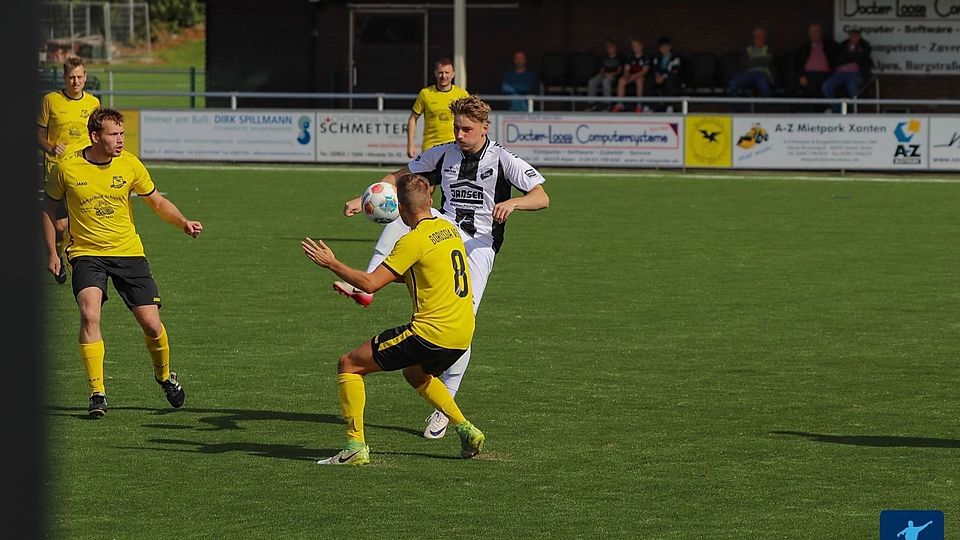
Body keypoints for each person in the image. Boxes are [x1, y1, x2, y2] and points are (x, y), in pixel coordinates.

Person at [335, 95, 549, 439]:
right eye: (456, 128)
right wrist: (364, 200)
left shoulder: (503, 159)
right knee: (403, 208)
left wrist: (515, 202)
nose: (460, 134)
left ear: (484, 127)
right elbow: (401, 175)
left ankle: (444, 403)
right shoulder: (445, 152)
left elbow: (542, 196)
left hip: (479, 244)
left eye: (466, 128)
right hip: (445, 229)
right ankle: (367, 285)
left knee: (464, 322)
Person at [303, 174, 485, 465]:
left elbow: (371, 284)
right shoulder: (447, 229)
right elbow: (427, 273)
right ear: (430, 201)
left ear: (399, 208)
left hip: (431, 334)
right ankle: (465, 428)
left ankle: (355, 447)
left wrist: (332, 264)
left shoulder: (411, 241)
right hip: (462, 333)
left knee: (349, 364)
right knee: (415, 373)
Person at [41, 107, 202, 417]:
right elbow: (47, 209)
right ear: (95, 136)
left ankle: (165, 376)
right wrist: (52, 252)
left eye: (122, 134)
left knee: (152, 325)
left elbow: (156, 201)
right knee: (89, 314)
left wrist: (182, 221)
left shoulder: (129, 165)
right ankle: (97, 392)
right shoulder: (67, 168)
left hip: (128, 252)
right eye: (113, 134)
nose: (120, 140)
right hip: (86, 253)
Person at [37, 56, 101, 285]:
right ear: (64, 78)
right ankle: (55, 253)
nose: (76, 81)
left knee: (83, 219)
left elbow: (98, 135)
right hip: (57, 170)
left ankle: (77, 259)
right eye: (71, 77)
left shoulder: (93, 103)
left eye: (80, 77)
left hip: (83, 170)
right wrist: (51, 147)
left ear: (85, 78)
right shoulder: (50, 101)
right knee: (61, 226)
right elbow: (38, 134)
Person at [405, 57, 469, 159]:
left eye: (447, 72)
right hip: (431, 146)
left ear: (453, 74)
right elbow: (413, 118)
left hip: (454, 145)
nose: (444, 76)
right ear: (435, 73)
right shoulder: (425, 94)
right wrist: (410, 144)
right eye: (440, 72)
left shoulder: (462, 94)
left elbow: (470, 120)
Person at [822, 27, 873, 113]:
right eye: (852, 35)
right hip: (839, 73)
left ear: (859, 36)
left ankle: (853, 111)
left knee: (852, 88)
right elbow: (838, 59)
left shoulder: (864, 46)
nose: (854, 37)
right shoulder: (843, 45)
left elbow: (863, 58)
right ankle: (837, 109)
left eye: (856, 35)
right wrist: (852, 56)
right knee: (826, 86)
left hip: (854, 73)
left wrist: (849, 57)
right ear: (849, 36)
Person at [793, 22, 837, 106]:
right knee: (810, 86)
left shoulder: (829, 45)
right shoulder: (804, 47)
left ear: (821, 33)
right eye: (812, 32)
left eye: (817, 31)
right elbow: (797, 64)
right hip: (808, 74)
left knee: (821, 85)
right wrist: (801, 75)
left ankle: (823, 110)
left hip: (825, 74)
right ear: (809, 34)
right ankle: (817, 112)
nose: (814, 34)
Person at [728, 28, 775, 103]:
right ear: (753, 38)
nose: (759, 39)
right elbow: (744, 64)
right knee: (733, 83)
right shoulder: (747, 49)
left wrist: (753, 60)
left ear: (764, 38)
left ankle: (766, 111)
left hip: (762, 74)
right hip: (747, 74)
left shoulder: (770, 49)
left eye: (761, 37)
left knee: (765, 87)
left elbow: (768, 62)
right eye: (756, 37)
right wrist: (761, 60)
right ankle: (737, 109)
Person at [612, 37, 650, 113]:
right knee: (621, 80)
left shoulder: (646, 56)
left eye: (637, 46)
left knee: (639, 81)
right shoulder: (630, 56)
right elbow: (626, 68)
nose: (636, 48)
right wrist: (626, 75)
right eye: (634, 46)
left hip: (640, 76)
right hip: (631, 76)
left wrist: (634, 76)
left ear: (641, 47)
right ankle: (620, 103)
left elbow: (644, 71)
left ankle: (639, 104)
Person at [587, 39, 624, 111]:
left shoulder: (619, 58)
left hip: (613, 76)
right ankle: (591, 104)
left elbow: (619, 71)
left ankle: (607, 104)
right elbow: (602, 70)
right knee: (592, 81)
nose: (610, 49)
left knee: (606, 81)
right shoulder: (604, 57)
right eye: (608, 47)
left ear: (615, 48)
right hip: (604, 75)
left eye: (611, 47)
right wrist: (603, 74)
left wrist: (610, 74)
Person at [650, 36, 681, 112]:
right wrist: (657, 76)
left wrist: (663, 77)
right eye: (661, 47)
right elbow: (655, 68)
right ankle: (649, 106)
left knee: (669, 81)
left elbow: (674, 70)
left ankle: (669, 106)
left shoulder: (675, 57)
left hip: (671, 77)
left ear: (669, 47)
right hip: (659, 76)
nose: (663, 49)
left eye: (665, 47)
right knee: (649, 80)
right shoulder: (657, 57)